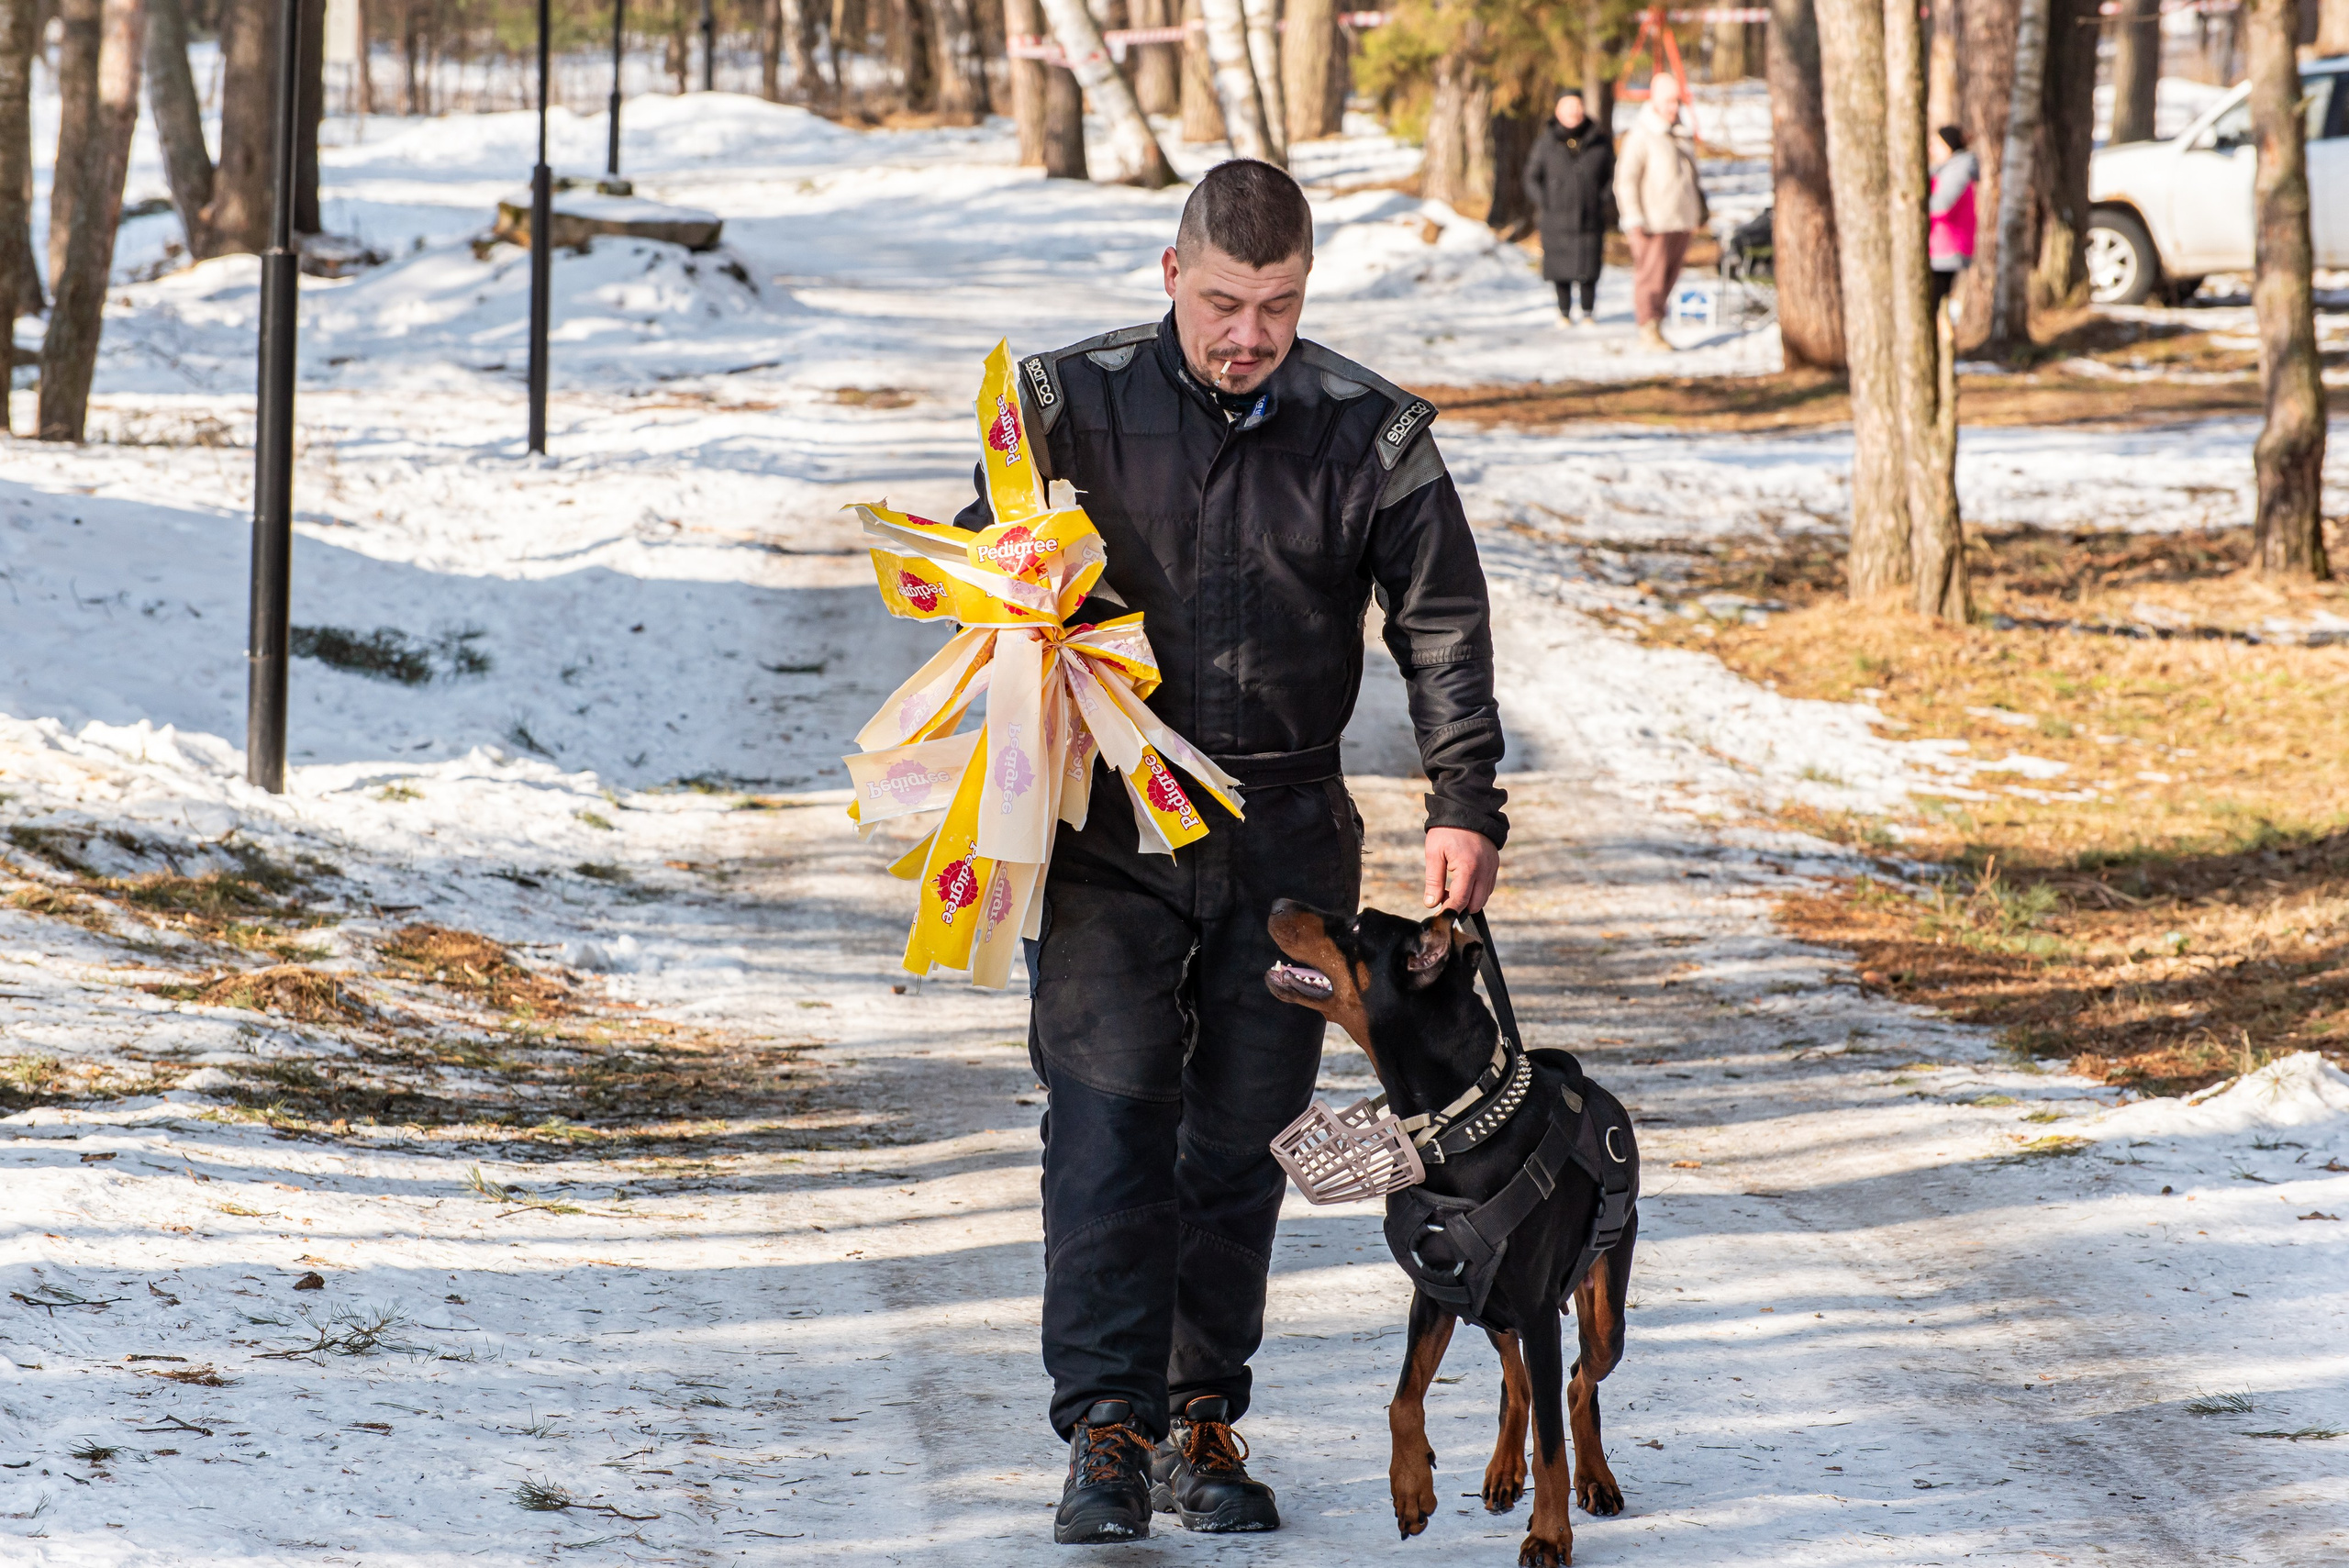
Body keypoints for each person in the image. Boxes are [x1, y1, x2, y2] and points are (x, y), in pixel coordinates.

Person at [950, 159, 1508, 1546]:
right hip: (1110, 825)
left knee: (1242, 1141)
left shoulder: (1368, 433)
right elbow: (979, 564)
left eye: (1276, 304)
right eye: (1220, 302)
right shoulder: (1067, 405)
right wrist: (999, 566)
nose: (1246, 331)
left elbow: (1439, 620)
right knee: (1105, 1121)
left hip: (1287, 842)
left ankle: (1203, 1417)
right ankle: (1107, 1433)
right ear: (1169, 278)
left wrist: (1463, 799)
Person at [1611, 72, 1708, 354]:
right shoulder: (1641, 135)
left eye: (1676, 101)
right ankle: (1648, 329)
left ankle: (1658, 325)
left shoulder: (1680, 133)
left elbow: (1692, 179)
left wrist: (1700, 211)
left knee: (1669, 277)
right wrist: (1633, 217)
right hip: (1652, 221)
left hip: (1681, 218)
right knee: (1650, 278)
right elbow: (1625, 180)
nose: (1673, 107)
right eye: (1667, 101)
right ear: (1654, 100)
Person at [1521, 89, 1617, 327]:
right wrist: (1545, 201)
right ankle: (1563, 312)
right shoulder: (1546, 143)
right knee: (1559, 266)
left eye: (1577, 107)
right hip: (1556, 217)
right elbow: (1531, 178)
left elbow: (1612, 175)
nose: (1574, 112)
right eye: (1568, 107)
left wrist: (1602, 198)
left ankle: (1588, 311)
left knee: (1589, 265)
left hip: (1590, 215)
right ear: (1558, 111)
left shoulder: (1599, 140)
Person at [1928, 123, 1977, 315]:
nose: (1932, 149)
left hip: (1947, 250)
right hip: (1940, 249)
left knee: (1937, 306)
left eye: (1937, 144)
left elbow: (1942, 206)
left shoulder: (1958, 170)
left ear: (1949, 145)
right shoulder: (1945, 169)